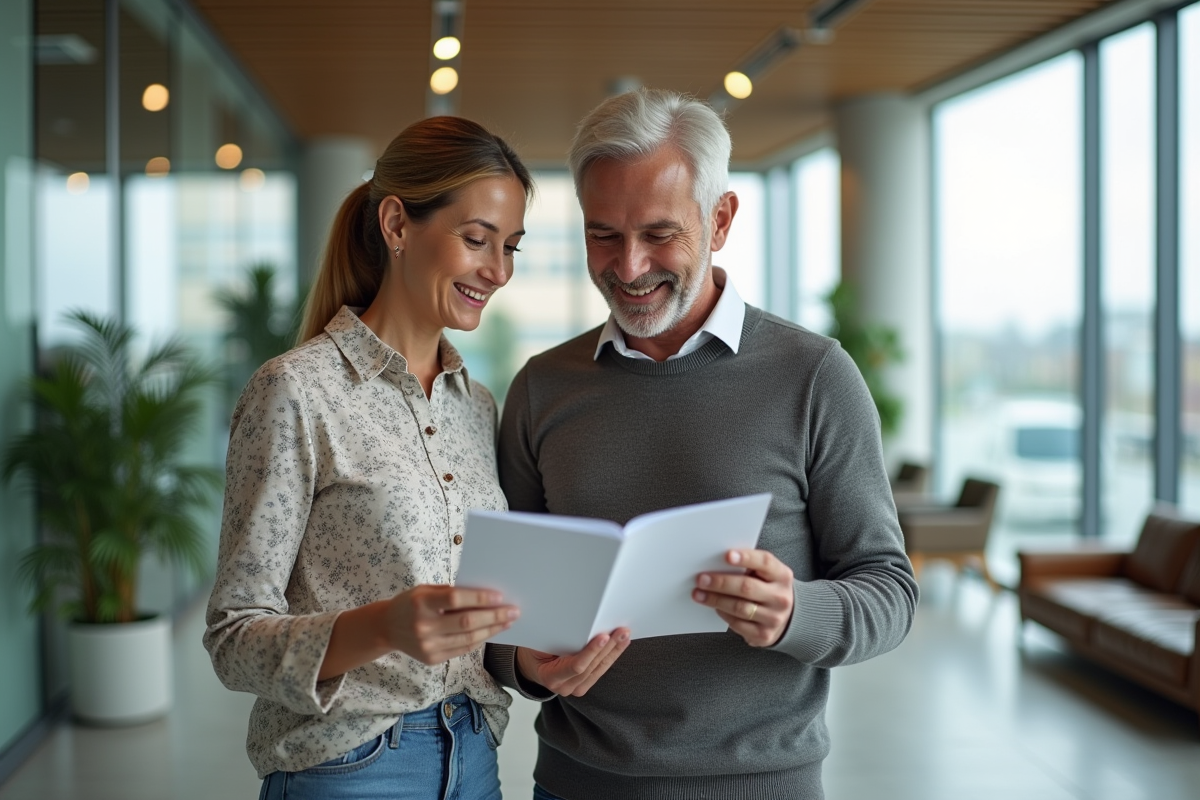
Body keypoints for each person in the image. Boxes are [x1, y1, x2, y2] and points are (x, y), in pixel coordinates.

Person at [484, 89, 919, 800]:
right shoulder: (542, 388)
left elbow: (890, 593)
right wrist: (525, 665)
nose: (627, 267)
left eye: (659, 233)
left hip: (763, 785)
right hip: (577, 784)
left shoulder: (813, 376)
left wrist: (795, 613)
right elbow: (500, 611)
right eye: (603, 234)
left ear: (720, 219)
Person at [203, 116, 626, 800]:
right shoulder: (296, 391)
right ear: (397, 225)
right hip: (349, 767)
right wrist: (383, 627)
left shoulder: (477, 405)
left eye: (511, 247)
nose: (498, 271)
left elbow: (473, 620)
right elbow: (233, 638)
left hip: (475, 755)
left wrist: (526, 659)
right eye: (477, 240)